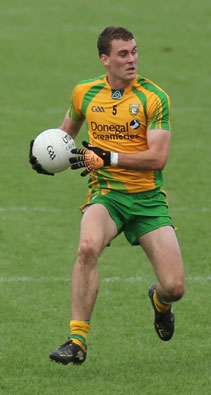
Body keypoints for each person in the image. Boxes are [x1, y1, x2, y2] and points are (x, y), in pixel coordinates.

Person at [29, 26, 185, 365]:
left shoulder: (153, 97)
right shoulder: (84, 93)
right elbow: (65, 136)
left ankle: (160, 302)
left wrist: (108, 157)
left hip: (148, 200)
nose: (132, 59)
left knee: (175, 287)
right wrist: (43, 154)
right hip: (106, 195)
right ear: (105, 60)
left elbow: (158, 158)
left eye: (134, 52)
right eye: (123, 54)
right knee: (87, 248)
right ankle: (77, 339)